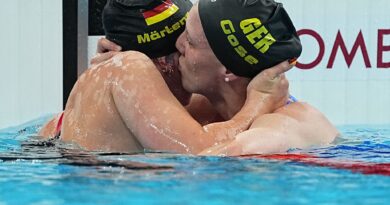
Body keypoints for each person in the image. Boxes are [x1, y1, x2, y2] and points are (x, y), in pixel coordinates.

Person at [38, 0, 291, 154]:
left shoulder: (110, 80)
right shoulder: (132, 67)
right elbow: (201, 152)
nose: (185, 64)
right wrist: (259, 102)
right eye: (180, 54)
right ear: (158, 61)